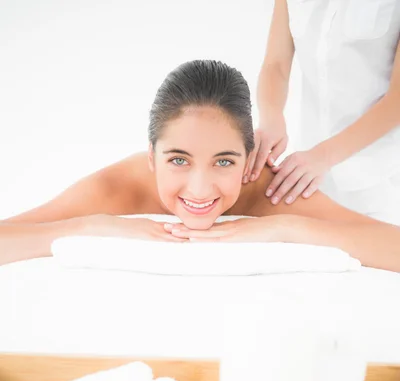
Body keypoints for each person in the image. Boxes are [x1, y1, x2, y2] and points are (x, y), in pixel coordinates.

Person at [0, 59, 400, 272]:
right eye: (178, 160)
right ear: (151, 156)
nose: (200, 189)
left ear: (250, 160)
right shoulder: (119, 186)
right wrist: (91, 225)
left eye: (224, 161)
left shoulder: (269, 192)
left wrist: (286, 227)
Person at [244, 0, 400, 224]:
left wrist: (323, 156)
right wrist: (272, 118)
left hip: (384, 177)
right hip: (309, 175)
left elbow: (398, 99)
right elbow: (275, 64)